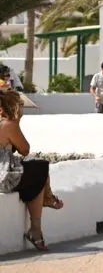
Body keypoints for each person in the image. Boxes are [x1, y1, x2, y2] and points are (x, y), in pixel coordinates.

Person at [0, 89, 64, 251]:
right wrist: (16, 124)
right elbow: (25, 149)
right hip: (4, 178)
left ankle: (38, 226)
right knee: (40, 167)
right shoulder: (8, 125)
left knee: (36, 170)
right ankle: (39, 222)